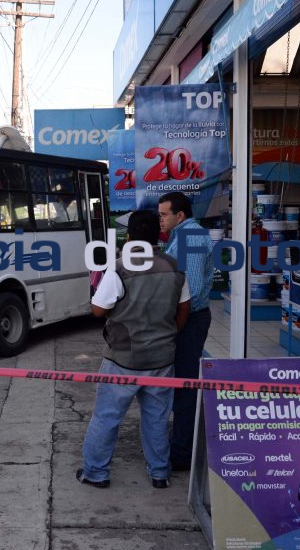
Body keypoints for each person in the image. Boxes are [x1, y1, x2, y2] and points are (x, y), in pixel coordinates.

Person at [77, 210, 191, 489]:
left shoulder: (120, 267)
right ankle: (160, 474)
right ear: (159, 235)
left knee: (106, 417)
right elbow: (184, 308)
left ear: (129, 237)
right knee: (156, 417)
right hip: (162, 358)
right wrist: (168, 335)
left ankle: (96, 473)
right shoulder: (175, 266)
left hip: (123, 358)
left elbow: (98, 309)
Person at [157, 192, 213, 472]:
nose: (161, 220)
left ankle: (181, 453)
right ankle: (180, 443)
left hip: (189, 320)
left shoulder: (190, 237)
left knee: (186, 387)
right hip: (186, 319)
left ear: (180, 215)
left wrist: (173, 324)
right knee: (181, 384)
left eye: (164, 215)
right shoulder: (182, 236)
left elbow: (190, 291)